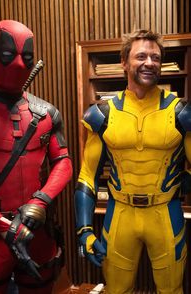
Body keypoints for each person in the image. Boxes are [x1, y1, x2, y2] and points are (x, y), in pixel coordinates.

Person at [0, 19, 72, 294]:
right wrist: (2, 225)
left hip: (36, 230)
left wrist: (40, 202)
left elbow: (63, 163)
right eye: (8, 55)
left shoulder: (47, 113)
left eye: (27, 57)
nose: (19, 64)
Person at [74, 29, 190, 293]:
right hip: (120, 215)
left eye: (156, 57)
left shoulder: (180, 112)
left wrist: (186, 180)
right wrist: (84, 230)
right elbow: (86, 178)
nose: (149, 62)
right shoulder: (103, 114)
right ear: (124, 62)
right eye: (141, 56)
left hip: (165, 214)